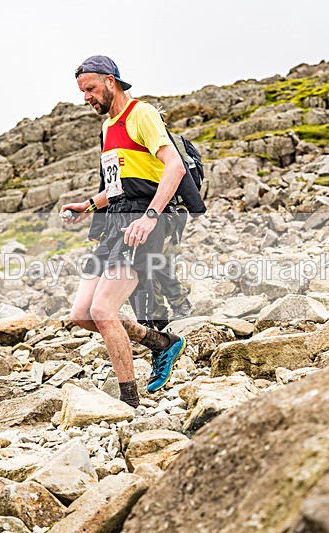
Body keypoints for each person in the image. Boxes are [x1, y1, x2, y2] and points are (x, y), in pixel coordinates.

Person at [62, 56, 189, 408]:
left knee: (103, 310)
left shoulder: (141, 114)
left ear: (111, 81)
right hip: (116, 222)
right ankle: (161, 343)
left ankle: (128, 402)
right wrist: (87, 205)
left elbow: (175, 167)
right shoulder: (107, 128)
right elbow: (118, 186)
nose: (86, 97)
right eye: (82, 91)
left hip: (145, 222)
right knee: (82, 314)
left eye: (90, 89)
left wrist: (150, 216)